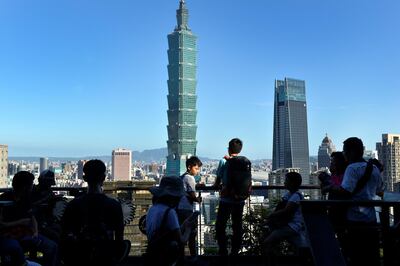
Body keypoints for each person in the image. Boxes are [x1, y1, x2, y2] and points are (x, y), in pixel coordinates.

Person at [325, 137, 384, 266]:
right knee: (371, 255)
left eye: (345, 151)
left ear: (351, 152)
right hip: (371, 218)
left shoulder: (352, 168)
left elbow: (346, 191)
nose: (344, 154)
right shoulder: (373, 168)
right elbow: (380, 190)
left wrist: (331, 187)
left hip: (354, 218)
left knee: (355, 255)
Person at [61, 159, 128, 265]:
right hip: (106, 256)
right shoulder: (114, 205)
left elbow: (64, 234)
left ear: (84, 178)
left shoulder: (73, 205)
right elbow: (119, 238)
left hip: (79, 256)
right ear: (104, 178)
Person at [0, 171, 58, 266]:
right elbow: (2, 224)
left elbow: (32, 217)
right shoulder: (4, 199)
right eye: (31, 185)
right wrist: (21, 222)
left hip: (26, 234)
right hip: (8, 235)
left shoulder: (26, 198)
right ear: (25, 187)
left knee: (52, 247)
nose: (33, 187)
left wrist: (35, 232)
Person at [145, 176, 196, 266]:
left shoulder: (152, 209)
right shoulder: (169, 212)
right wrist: (188, 229)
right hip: (166, 258)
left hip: (153, 255)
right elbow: (181, 241)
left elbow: (168, 233)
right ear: (173, 196)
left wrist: (184, 224)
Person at [214, 138, 251, 256]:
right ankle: (235, 251)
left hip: (226, 198)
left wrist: (216, 185)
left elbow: (218, 179)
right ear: (240, 150)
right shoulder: (245, 162)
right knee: (237, 225)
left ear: (229, 148)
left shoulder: (224, 161)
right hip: (239, 198)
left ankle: (223, 250)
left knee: (220, 225)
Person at [263, 172, 306, 257]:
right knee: (271, 242)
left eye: (286, 180)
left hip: (293, 226)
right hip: (289, 224)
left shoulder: (296, 196)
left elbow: (287, 210)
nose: (284, 182)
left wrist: (272, 215)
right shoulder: (290, 194)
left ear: (292, 183)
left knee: (267, 243)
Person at [177, 156, 202, 256]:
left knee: (181, 233)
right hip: (187, 209)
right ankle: (193, 257)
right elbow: (192, 194)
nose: (197, 171)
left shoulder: (182, 177)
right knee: (191, 234)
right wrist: (198, 199)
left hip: (179, 208)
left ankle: (180, 257)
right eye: (196, 168)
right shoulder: (190, 178)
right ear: (189, 167)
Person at [32, 170, 62, 242]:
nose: (49, 186)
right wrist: (47, 199)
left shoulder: (49, 191)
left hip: (48, 221)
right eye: (47, 184)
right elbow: (31, 206)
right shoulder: (33, 191)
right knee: (57, 236)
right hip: (38, 223)